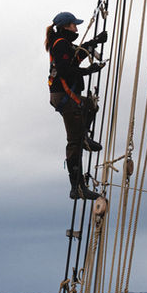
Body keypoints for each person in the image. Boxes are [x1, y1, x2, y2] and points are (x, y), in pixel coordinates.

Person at [46, 11, 108, 201]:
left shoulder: (63, 43)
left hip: (65, 95)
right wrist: (89, 71)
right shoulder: (61, 44)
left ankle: (85, 139)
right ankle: (77, 187)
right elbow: (66, 69)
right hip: (65, 96)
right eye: (74, 25)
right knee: (74, 142)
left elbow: (75, 55)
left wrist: (93, 42)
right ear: (66, 26)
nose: (77, 28)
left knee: (90, 105)